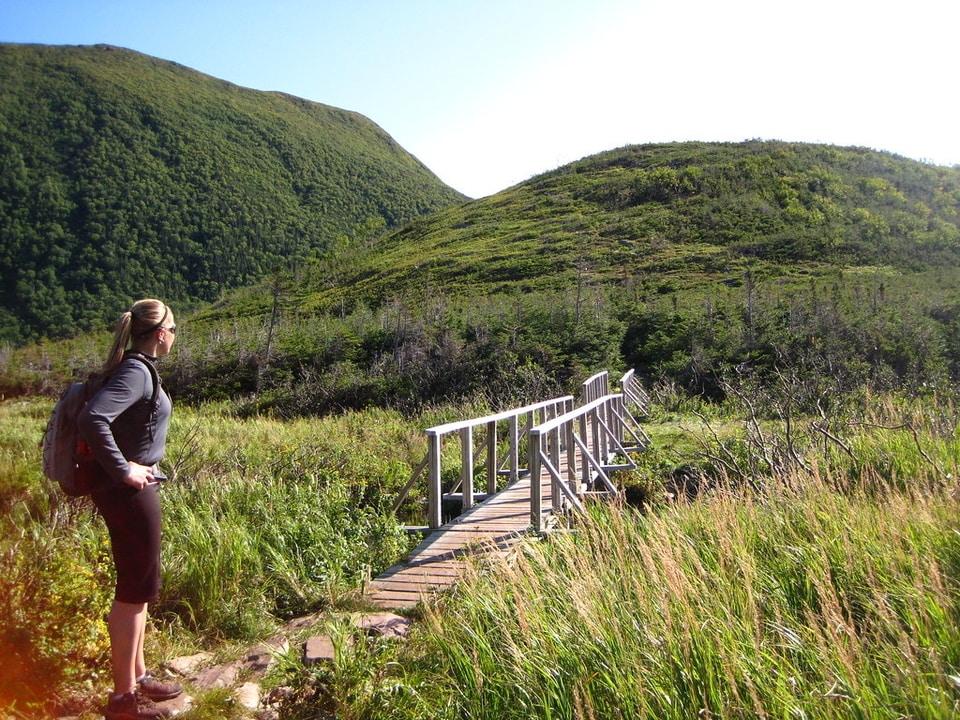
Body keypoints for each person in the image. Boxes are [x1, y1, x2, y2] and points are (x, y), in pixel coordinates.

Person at [78, 299, 183, 720]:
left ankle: (137, 678)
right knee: (134, 591)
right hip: (128, 493)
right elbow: (93, 419)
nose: (175, 336)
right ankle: (123, 699)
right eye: (173, 329)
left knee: (140, 587)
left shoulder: (136, 368)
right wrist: (125, 471)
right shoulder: (137, 372)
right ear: (160, 333)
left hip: (130, 489)